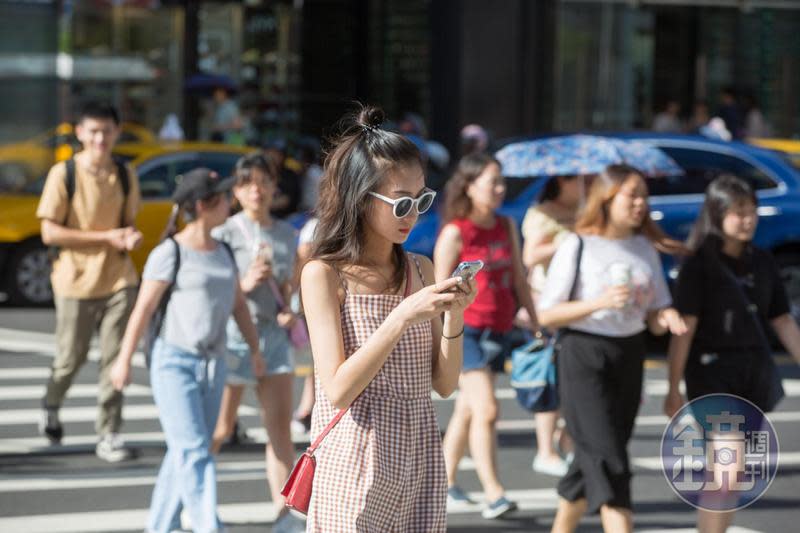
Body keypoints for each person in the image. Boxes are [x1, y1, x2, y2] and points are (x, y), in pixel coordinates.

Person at [300, 105, 476, 531]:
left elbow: (445, 384)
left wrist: (455, 316)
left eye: (422, 200)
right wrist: (401, 316)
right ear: (360, 200)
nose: (413, 214)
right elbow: (338, 388)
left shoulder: (420, 269)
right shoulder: (324, 274)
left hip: (417, 455)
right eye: (401, 204)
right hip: (352, 458)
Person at [109, 168, 264, 533]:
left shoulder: (223, 250)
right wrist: (123, 361)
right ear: (203, 205)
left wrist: (255, 350)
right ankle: (210, 526)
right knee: (195, 450)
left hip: (213, 364)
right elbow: (144, 310)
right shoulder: (170, 252)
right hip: (174, 363)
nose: (229, 203)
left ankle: (160, 526)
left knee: (186, 450)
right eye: (224, 198)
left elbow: (238, 305)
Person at [537, 164, 687, 533]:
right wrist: (598, 302)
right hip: (583, 354)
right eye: (631, 195)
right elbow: (548, 313)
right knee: (611, 460)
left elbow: (654, 313)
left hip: (629, 354)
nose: (640, 204)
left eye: (643, 197)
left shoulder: (643, 247)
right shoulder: (578, 243)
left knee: (590, 462)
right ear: (607, 197)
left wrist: (664, 316)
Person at [664, 175, 800, 533]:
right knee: (730, 464)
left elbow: (782, 319)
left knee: (729, 472)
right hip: (712, 372)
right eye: (739, 212)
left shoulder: (763, 261)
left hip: (752, 374)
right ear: (717, 214)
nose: (748, 219)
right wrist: (673, 386)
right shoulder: (699, 266)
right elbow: (685, 330)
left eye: (752, 210)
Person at [434, 153, 541, 519]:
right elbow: (438, 290)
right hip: (466, 331)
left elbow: (519, 278)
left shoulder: (505, 224)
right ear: (468, 185)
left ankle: (442, 482)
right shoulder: (455, 232)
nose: (499, 189)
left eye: (501, 182)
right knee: (488, 409)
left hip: (500, 328)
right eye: (491, 181)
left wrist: (536, 321)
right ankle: (495, 492)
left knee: (467, 410)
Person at [36, 101, 143, 462]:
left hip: (118, 279)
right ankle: (51, 402)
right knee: (71, 357)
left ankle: (109, 432)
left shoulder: (126, 174)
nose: (100, 138)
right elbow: (49, 232)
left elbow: (127, 226)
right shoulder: (63, 173)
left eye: (107, 131)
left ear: (116, 132)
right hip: (73, 280)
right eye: (93, 131)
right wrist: (108, 238)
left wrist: (128, 238)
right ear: (79, 133)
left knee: (115, 359)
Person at [208, 153, 304, 533]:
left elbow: (294, 284)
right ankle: (195, 502)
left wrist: (292, 311)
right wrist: (243, 285)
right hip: (234, 335)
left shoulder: (285, 233)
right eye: (248, 183)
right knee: (220, 427)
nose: (257, 190)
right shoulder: (225, 232)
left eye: (264, 182)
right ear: (236, 191)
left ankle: (284, 513)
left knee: (279, 427)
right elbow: (213, 287)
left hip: (274, 336)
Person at [519, 175, 589, 477]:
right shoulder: (541, 213)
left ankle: (566, 439)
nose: (584, 185)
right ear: (562, 181)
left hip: (576, 302)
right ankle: (545, 450)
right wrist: (564, 241)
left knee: (569, 378)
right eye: (579, 180)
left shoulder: (585, 210)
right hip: (546, 301)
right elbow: (530, 255)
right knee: (549, 376)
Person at [290, 216, 319, 435]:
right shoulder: (314, 226)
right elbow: (302, 259)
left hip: (318, 300)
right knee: (316, 360)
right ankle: (307, 409)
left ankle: (308, 409)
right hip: (313, 302)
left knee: (317, 361)